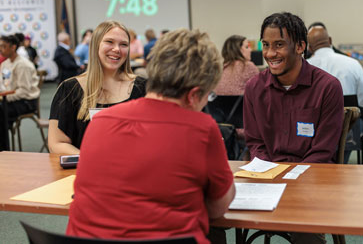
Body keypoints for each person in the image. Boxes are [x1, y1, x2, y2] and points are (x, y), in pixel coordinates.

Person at [66, 28, 235, 244]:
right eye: (207, 96)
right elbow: (218, 209)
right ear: (193, 95)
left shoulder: (100, 121)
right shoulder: (201, 128)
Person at [243, 12, 343, 244]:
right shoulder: (254, 88)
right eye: (266, 45)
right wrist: (269, 173)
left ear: (300, 46)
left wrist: (290, 178)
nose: (270, 54)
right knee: (215, 214)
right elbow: (255, 142)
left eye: (279, 45)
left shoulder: (328, 87)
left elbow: (322, 150)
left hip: (313, 178)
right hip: (267, 177)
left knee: (306, 232)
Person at [49, 21, 147, 154]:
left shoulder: (144, 87)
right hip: (88, 170)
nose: (117, 49)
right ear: (96, 45)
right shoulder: (69, 89)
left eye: (123, 44)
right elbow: (57, 143)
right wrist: (94, 161)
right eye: (109, 42)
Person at [307, 26, 363, 163]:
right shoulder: (352, 64)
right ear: (330, 40)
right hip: (348, 132)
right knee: (360, 123)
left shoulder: (304, 68)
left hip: (311, 133)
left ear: (309, 48)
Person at [0, 35, 39, 150]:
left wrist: (3, 98)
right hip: (9, 99)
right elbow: (3, 85)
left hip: (26, 102)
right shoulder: (5, 64)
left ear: (13, 47)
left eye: (3, 46)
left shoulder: (23, 64)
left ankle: (4, 150)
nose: (1, 49)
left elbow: (23, 91)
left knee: (1, 112)